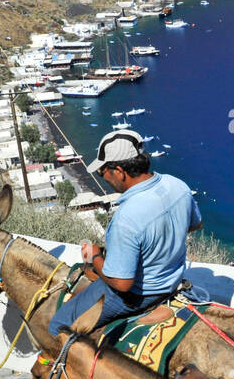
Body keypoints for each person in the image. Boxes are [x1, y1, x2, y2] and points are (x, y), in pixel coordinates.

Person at [48, 129, 201, 337]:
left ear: (119, 171)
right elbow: (194, 224)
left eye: (103, 172)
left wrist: (94, 255)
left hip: (142, 294)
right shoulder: (178, 186)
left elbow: (122, 284)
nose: (104, 178)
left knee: (57, 326)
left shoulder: (127, 217)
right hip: (173, 278)